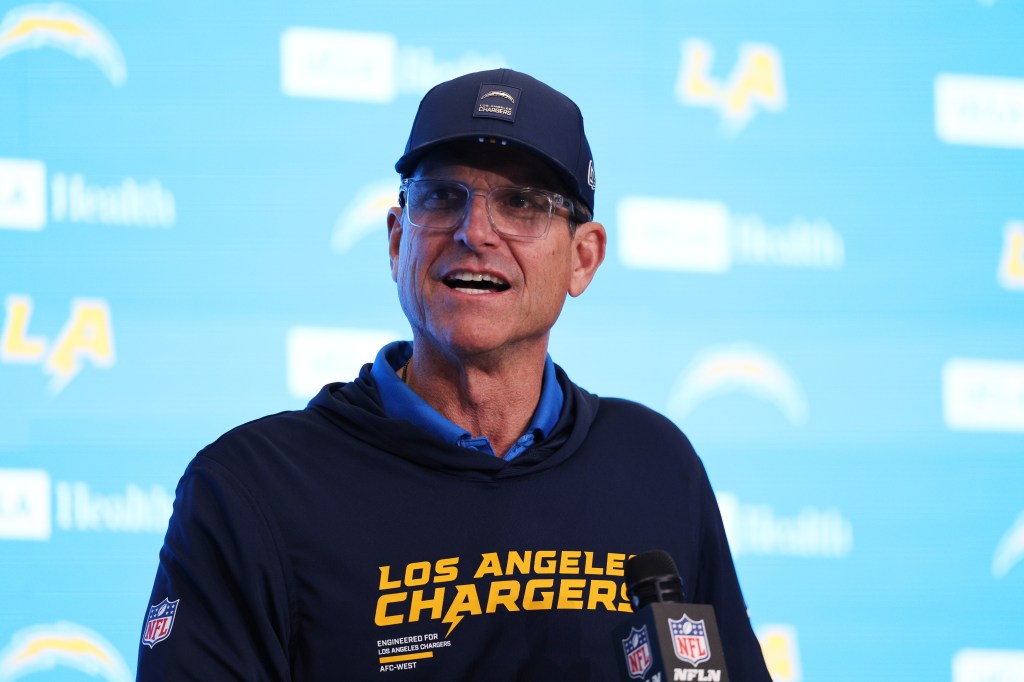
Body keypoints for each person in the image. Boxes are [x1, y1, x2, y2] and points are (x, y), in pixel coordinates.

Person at [137, 68, 772, 680]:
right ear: (395, 241)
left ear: (584, 259)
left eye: (522, 204)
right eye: (442, 198)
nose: (474, 232)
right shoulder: (252, 488)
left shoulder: (655, 465)